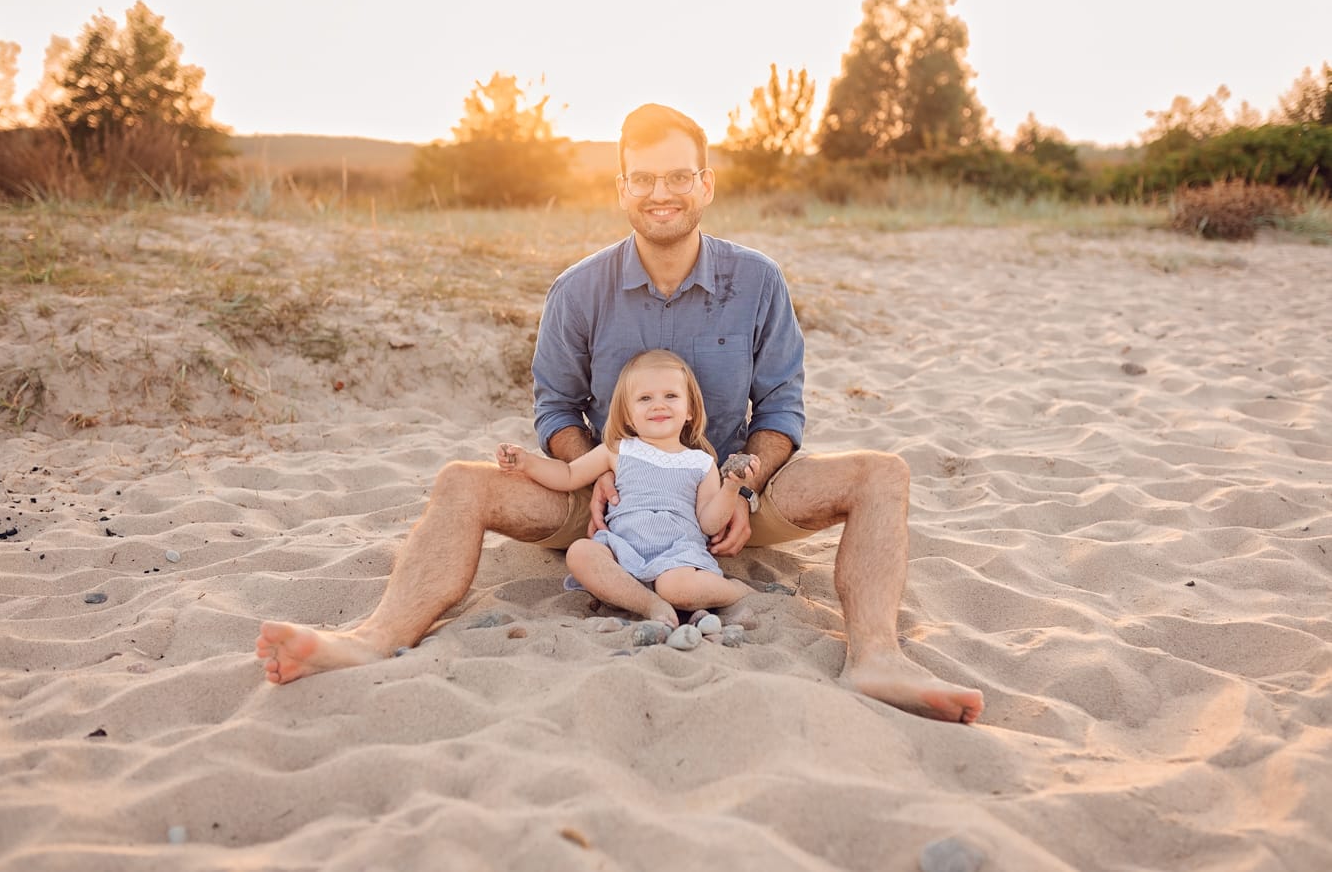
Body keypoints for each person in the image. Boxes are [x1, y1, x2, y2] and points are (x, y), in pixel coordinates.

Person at [257, 102, 984, 724]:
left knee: (882, 474)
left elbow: (784, 404)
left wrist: (746, 483)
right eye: (644, 178)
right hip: (602, 498)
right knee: (460, 481)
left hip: (725, 494)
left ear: (705, 184)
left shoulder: (757, 281)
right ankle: (375, 636)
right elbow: (554, 404)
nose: (660, 192)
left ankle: (877, 660)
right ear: (621, 188)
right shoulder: (578, 290)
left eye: (676, 176)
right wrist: (592, 473)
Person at [497, 348, 760, 629]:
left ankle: (738, 592)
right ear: (628, 415)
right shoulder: (618, 450)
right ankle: (650, 604)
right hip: (622, 550)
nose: (658, 405)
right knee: (580, 552)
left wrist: (731, 489)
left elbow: (709, 523)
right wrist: (527, 462)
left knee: (677, 588)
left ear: (690, 410)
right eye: (645, 398)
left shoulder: (700, 463)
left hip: (677, 555)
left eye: (671, 396)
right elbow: (569, 474)